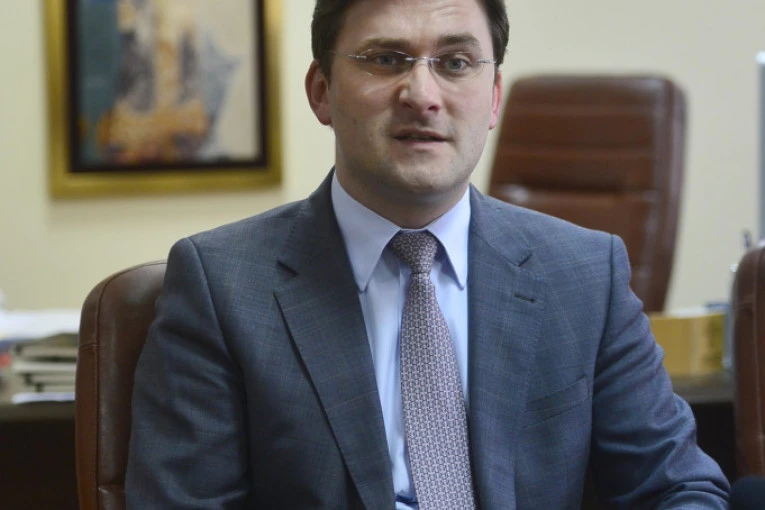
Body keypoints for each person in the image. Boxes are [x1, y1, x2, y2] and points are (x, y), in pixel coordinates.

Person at [125, 0, 731, 508]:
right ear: (321, 91)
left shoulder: (585, 274)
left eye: (456, 63)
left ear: (493, 98)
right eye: (386, 59)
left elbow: (678, 488)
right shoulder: (223, 285)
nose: (422, 94)